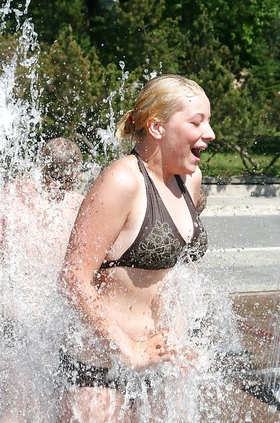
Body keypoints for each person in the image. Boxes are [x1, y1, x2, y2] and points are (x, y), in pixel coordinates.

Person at [59, 74, 215, 422]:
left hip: (156, 370)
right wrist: (126, 348)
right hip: (99, 371)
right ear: (157, 127)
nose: (210, 134)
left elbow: (176, 270)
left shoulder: (189, 181)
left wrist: (180, 333)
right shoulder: (122, 180)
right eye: (197, 122)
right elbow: (72, 276)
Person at [0, 137, 84, 423]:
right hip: (57, 320)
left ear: (41, 163)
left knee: (13, 404)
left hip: (12, 316)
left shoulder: (10, 195)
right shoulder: (78, 205)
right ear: (75, 172)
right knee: (54, 403)